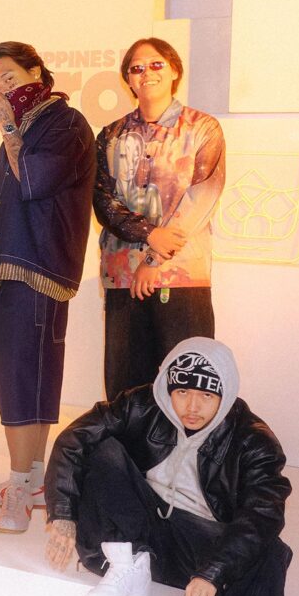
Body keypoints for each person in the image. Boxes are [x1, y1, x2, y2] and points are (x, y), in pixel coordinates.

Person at [43, 338, 291, 596]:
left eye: (206, 396)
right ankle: (128, 564)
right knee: (104, 450)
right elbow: (74, 440)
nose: (192, 406)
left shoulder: (254, 440)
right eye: (182, 392)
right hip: (143, 529)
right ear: (166, 388)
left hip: (203, 545)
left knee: (271, 549)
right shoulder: (139, 405)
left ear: (225, 394)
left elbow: (263, 512)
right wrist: (63, 515)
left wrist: (214, 572)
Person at [0, 41, 97, 534]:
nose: (1, 90)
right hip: (7, 264)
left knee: (24, 375)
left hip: (35, 265)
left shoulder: (65, 122)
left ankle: (20, 487)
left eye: (9, 78)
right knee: (21, 374)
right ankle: (33, 480)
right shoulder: (28, 123)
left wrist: (8, 129)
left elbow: (35, 180)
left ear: (36, 71)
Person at [94, 37, 226, 401]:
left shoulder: (203, 128)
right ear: (128, 79)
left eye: (156, 65)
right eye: (136, 68)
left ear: (174, 71)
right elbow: (103, 202)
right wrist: (150, 235)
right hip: (122, 275)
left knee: (189, 385)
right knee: (126, 389)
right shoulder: (111, 135)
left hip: (182, 275)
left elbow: (203, 194)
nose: (146, 73)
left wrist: (154, 258)